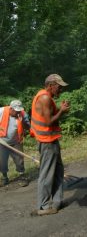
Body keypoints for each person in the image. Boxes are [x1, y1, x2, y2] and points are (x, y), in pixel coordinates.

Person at [30, 74, 70, 216]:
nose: (61, 90)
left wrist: (61, 110)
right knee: (47, 174)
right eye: (59, 87)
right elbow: (48, 122)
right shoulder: (45, 98)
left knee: (58, 171)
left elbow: (50, 118)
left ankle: (57, 202)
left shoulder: (45, 96)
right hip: (47, 142)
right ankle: (44, 206)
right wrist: (61, 111)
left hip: (51, 140)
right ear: (51, 85)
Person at [0, 100, 30, 187]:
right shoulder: (1, 111)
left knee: (19, 160)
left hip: (16, 141)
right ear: (11, 108)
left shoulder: (23, 114)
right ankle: (4, 177)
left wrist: (23, 122)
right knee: (1, 161)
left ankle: (22, 176)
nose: (18, 113)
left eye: (19, 111)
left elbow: (28, 127)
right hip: (2, 141)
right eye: (16, 111)